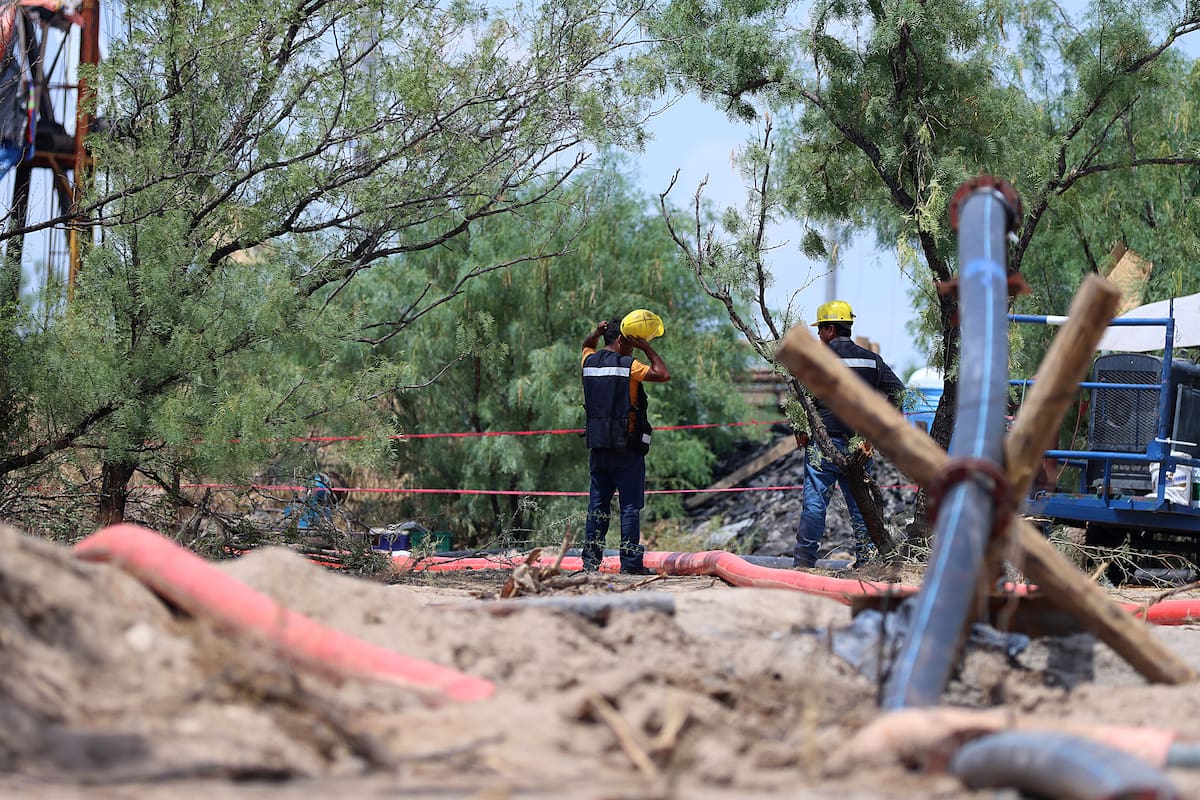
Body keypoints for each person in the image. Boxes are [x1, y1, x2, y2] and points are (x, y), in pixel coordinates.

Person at [793, 300, 905, 569]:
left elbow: (800, 399)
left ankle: (804, 564)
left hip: (824, 445)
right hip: (858, 447)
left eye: (820, 329)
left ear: (831, 329)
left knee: (814, 505)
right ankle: (866, 563)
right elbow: (899, 393)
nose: (818, 335)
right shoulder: (871, 360)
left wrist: (800, 429)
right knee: (861, 506)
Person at [580, 314, 670, 574]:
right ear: (621, 340)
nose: (633, 348)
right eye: (631, 343)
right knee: (629, 507)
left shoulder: (589, 362)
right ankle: (630, 564)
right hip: (626, 448)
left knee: (597, 507)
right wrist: (646, 347)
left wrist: (595, 333)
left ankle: (590, 563)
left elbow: (586, 345)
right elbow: (663, 374)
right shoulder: (629, 366)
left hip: (598, 446)